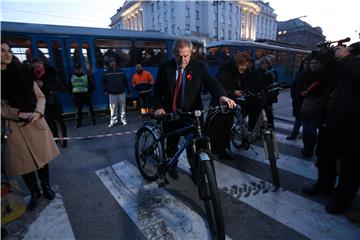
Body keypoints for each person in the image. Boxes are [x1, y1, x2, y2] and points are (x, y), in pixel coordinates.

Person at [153, 38, 236, 179]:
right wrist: (158, 107)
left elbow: (211, 82)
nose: (182, 60)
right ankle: (172, 165)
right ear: (173, 53)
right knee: (171, 144)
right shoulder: (165, 67)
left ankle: (196, 170)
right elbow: (156, 91)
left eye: (186, 56)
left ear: (191, 53)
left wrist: (222, 96)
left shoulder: (199, 67)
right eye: (179, 56)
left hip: (192, 113)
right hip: (170, 113)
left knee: (196, 145)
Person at [302, 42, 360, 215]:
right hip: (330, 120)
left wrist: (346, 58)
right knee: (324, 156)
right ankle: (323, 185)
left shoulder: (352, 63)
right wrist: (326, 57)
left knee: (350, 166)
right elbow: (323, 76)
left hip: (353, 126)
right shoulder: (348, 61)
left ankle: (341, 201)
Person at [1, 41, 59, 211]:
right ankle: (34, 192)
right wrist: (19, 114)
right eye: (1, 51)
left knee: (41, 158)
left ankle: (46, 186)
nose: (7, 54)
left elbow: (40, 97)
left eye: (9, 50)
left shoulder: (24, 73)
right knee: (24, 163)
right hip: (14, 126)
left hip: (35, 121)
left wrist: (39, 112)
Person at [207, 52, 251, 160]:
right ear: (237, 63)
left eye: (245, 65)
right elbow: (220, 87)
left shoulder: (240, 71)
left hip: (231, 103)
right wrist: (233, 92)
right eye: (242, 65)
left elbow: (243, 82)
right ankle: (216, 150)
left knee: (226, 127)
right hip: (220, 104)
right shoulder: (226, 70)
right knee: (218, 129)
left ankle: (223, 150)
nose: (244, 68)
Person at [31, 58, 68, 148]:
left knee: (60, 121)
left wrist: (44, 85)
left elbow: (58, 87)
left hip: (53, 101)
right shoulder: (31, 74)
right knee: (50, 122)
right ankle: (55, 140)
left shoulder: (51, 72)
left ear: (42, 64)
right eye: (35, 68)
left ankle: (64, 141)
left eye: (38, 67)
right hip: (43, 102)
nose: (37, 69)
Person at [299, 55, 326, 157]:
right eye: (311, 63)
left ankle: (309, 149)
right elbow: (298, 88)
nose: (313, 65)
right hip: (305, 106)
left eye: (316, 63)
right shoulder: (305, 75)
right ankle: (306, 148)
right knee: (306, 130)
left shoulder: (323, 76)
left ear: (320, 64)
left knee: (311, 130)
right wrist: (302, 93)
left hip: (316, 107)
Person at [287, 58, 309, 140]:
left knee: (304, 120)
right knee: (298, 119)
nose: (306, 65)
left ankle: (303, 136)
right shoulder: (299, 74)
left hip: (306, 101)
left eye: (307, 63)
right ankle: (294, 134)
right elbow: (294, 86)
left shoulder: (311, 75)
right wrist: (295, 96)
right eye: (304, 63)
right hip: (298, 100)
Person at [103, 58, 129, 127]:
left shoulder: (121, 71)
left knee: (122, 107)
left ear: (116, 63)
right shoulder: (106, 72)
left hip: (121, 92)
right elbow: (104, 82)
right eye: (111, 62)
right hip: (112, 93)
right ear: (109, 64)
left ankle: (123, 120)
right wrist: (105, 90)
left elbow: (125, 81)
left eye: (113, 62)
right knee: (113, 108)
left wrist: (128, 89)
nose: (112, 63)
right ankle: (113, 121)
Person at [70, 63, 96, 128]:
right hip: (77, 96)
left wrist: (89, 92)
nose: (78, 70)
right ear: (75, 70)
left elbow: (91, 85)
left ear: (81, 69)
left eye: (79, 69)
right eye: (77, 69)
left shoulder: (86, 76)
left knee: (90, 108)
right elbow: (69, 86)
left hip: (85, 95)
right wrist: (72, 94)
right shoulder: (72, 77)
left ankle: (93, 121)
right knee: (78, 110)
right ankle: (79, 123)